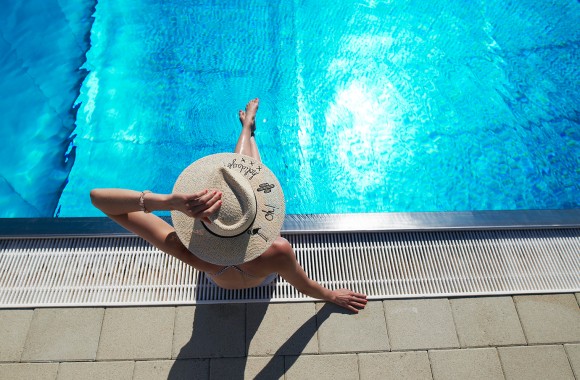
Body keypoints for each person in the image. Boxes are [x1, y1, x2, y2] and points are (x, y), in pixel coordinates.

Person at [90, 98, 367, 312]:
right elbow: (302, 283)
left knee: (241, 181)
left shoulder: (189, 250)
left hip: (217, 273)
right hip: (262, 272)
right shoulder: (278, 251)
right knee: (248, 181)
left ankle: (248, 130)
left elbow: (100, 200)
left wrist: (166, 201)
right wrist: (331, 296)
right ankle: (248, 131)